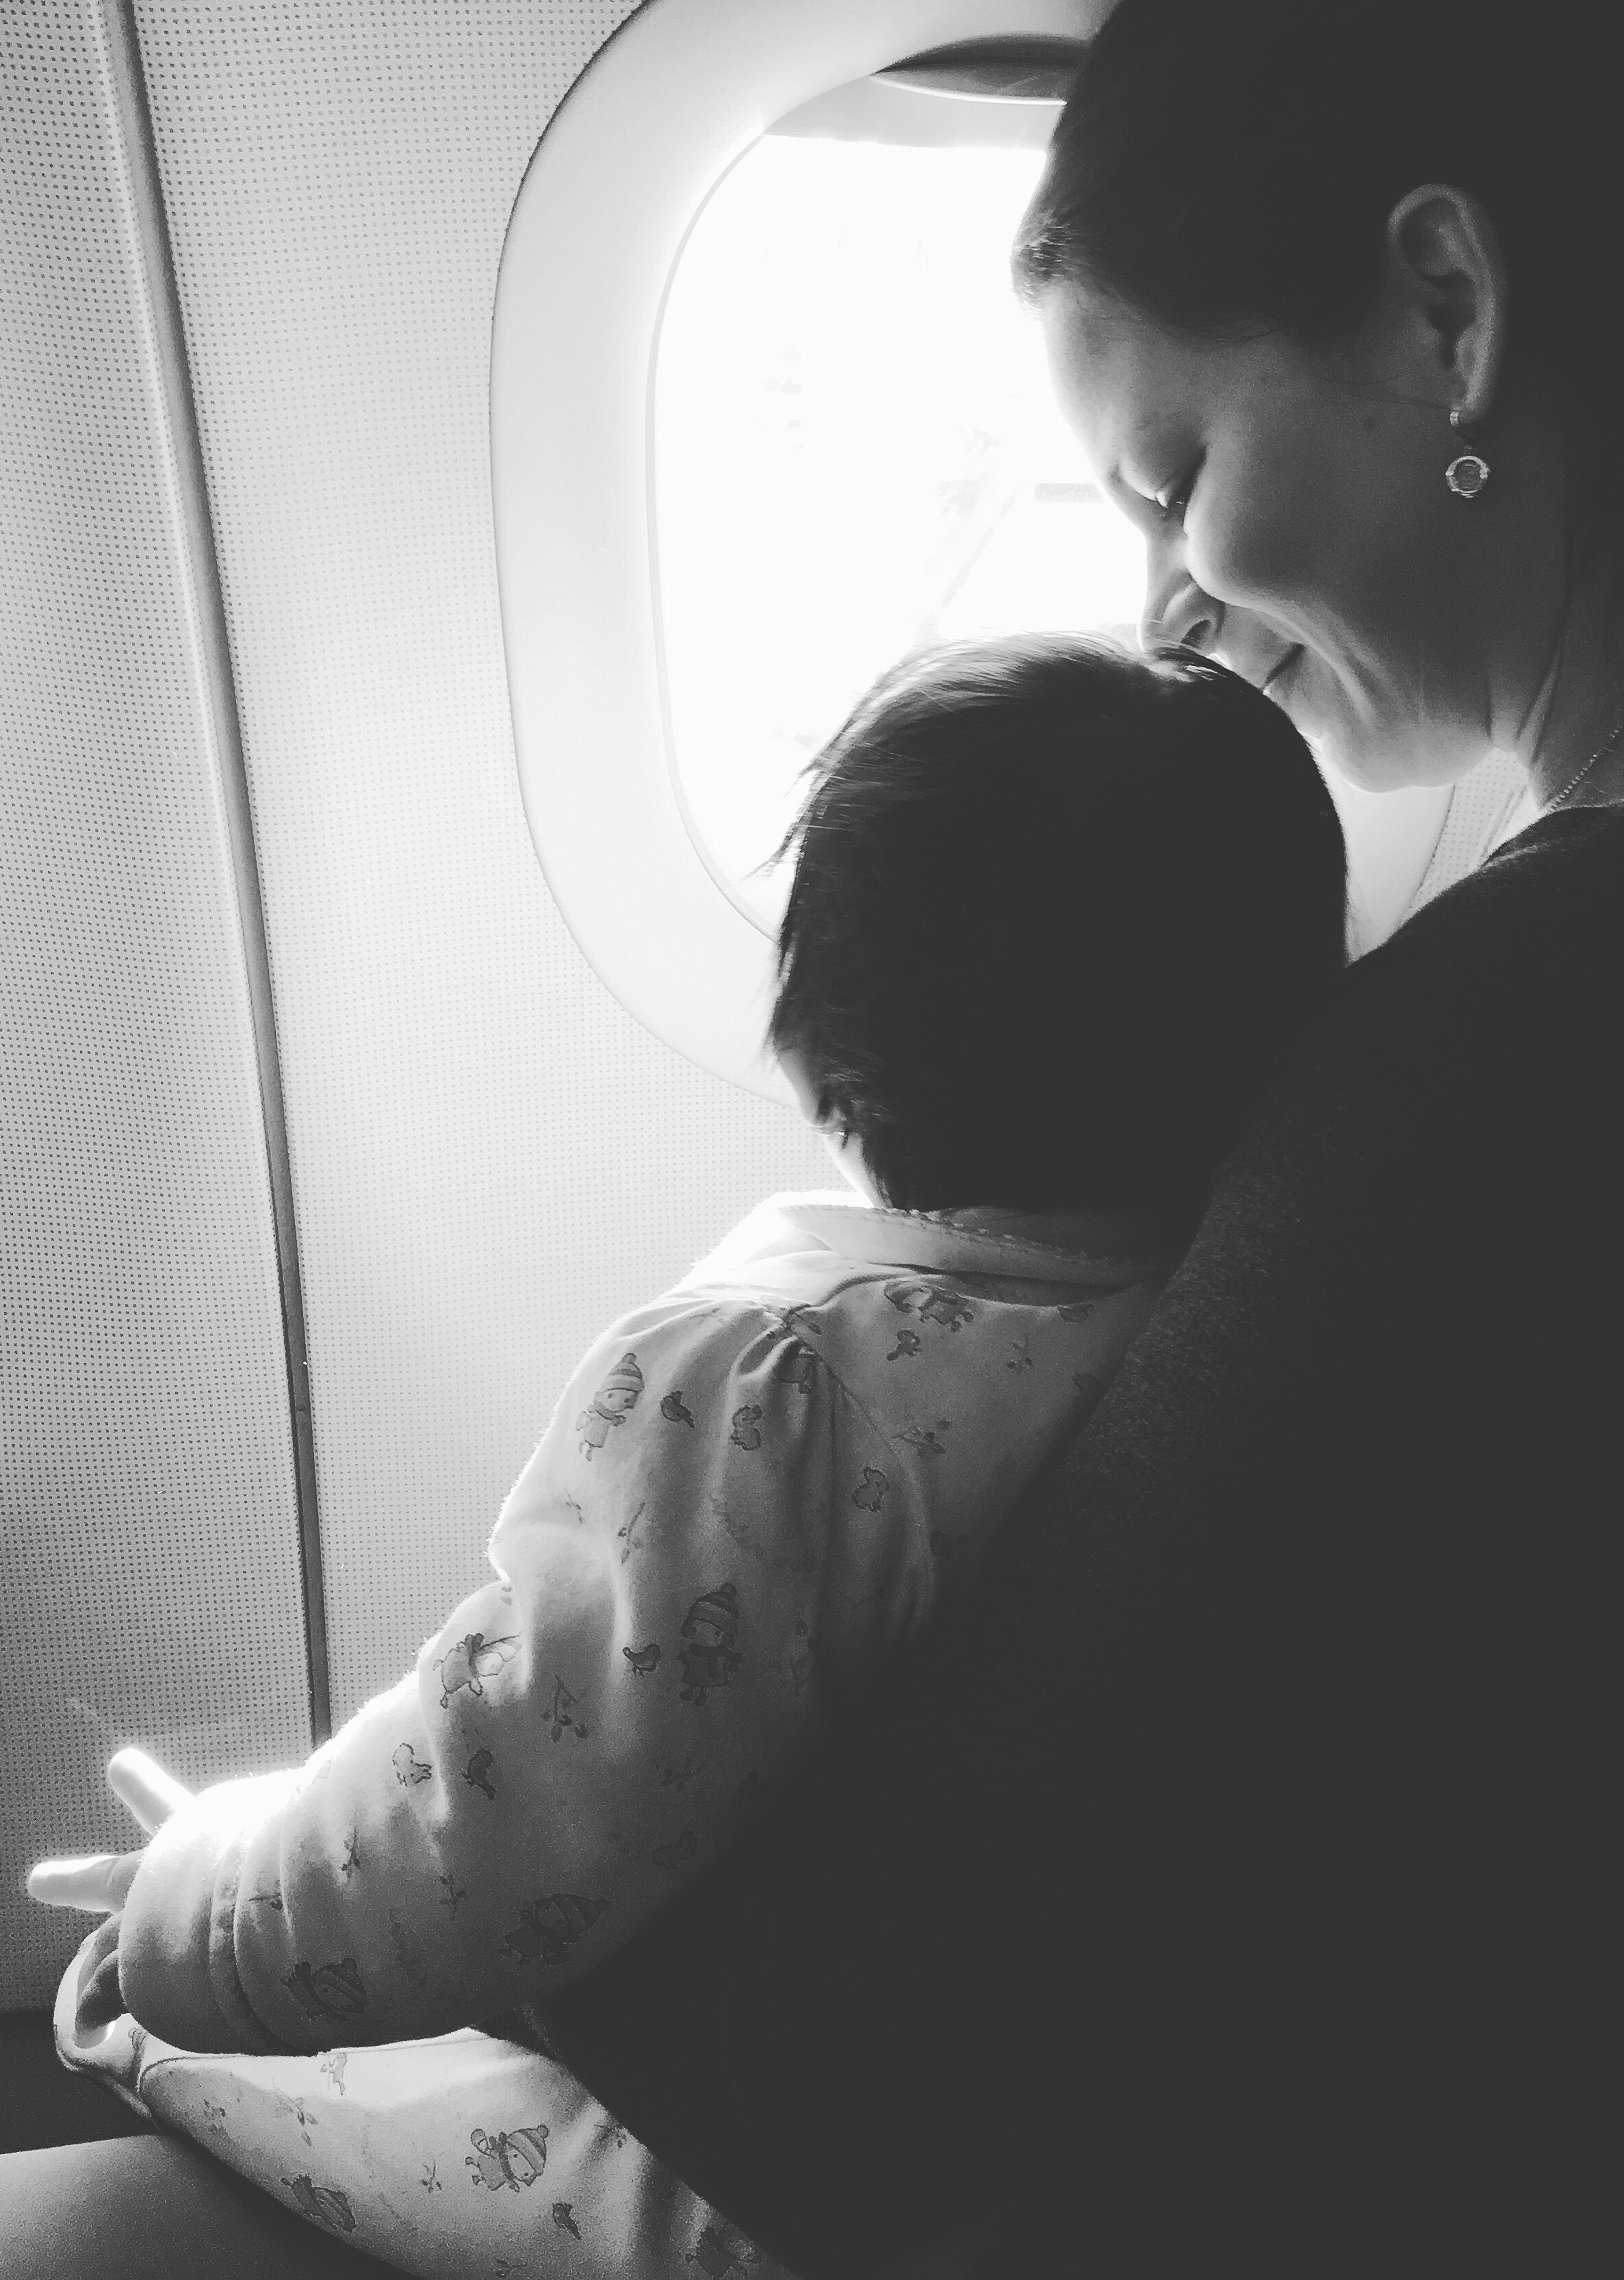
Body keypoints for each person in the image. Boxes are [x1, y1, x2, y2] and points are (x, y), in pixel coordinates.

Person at [492, 0, 1624, 2275]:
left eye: (1173, 471)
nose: (1165, 608)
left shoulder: (1559, 1024)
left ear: (1446, 311)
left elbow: (1006, 1937)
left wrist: (480, 1891)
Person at [23, 631, 1347, 2277]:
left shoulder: (775, 1387)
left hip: (776, 2192)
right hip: (1039, 2098)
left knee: (142, 2006)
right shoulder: (1222, 1318)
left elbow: (498, 1807)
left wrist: (204, 1905)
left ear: (823, 1039)